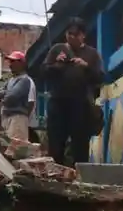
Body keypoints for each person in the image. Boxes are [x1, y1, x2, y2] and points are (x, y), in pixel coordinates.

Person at [44, 17, 103, 165]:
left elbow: (100, 78)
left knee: (80, 146)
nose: (71, 37)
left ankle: (79, 178)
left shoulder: (91, 54)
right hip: (58, 103)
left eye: (75, 34)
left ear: (83, 35)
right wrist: (56, 65)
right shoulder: (57, 49)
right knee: (56, 145)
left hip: (81, 105)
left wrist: (86, 66)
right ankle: (55, 175)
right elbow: (43, 72)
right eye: (69, 33)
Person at [0, 51, 36, 141]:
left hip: (18, 118)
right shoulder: (11, 80)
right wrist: (3, 94)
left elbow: (11, 98)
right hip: (7, 117)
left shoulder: (25, 80)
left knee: (16, 148)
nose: (10, 65)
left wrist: (3, 94)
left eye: (13, 61)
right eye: (10, 62)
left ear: (21, 63)